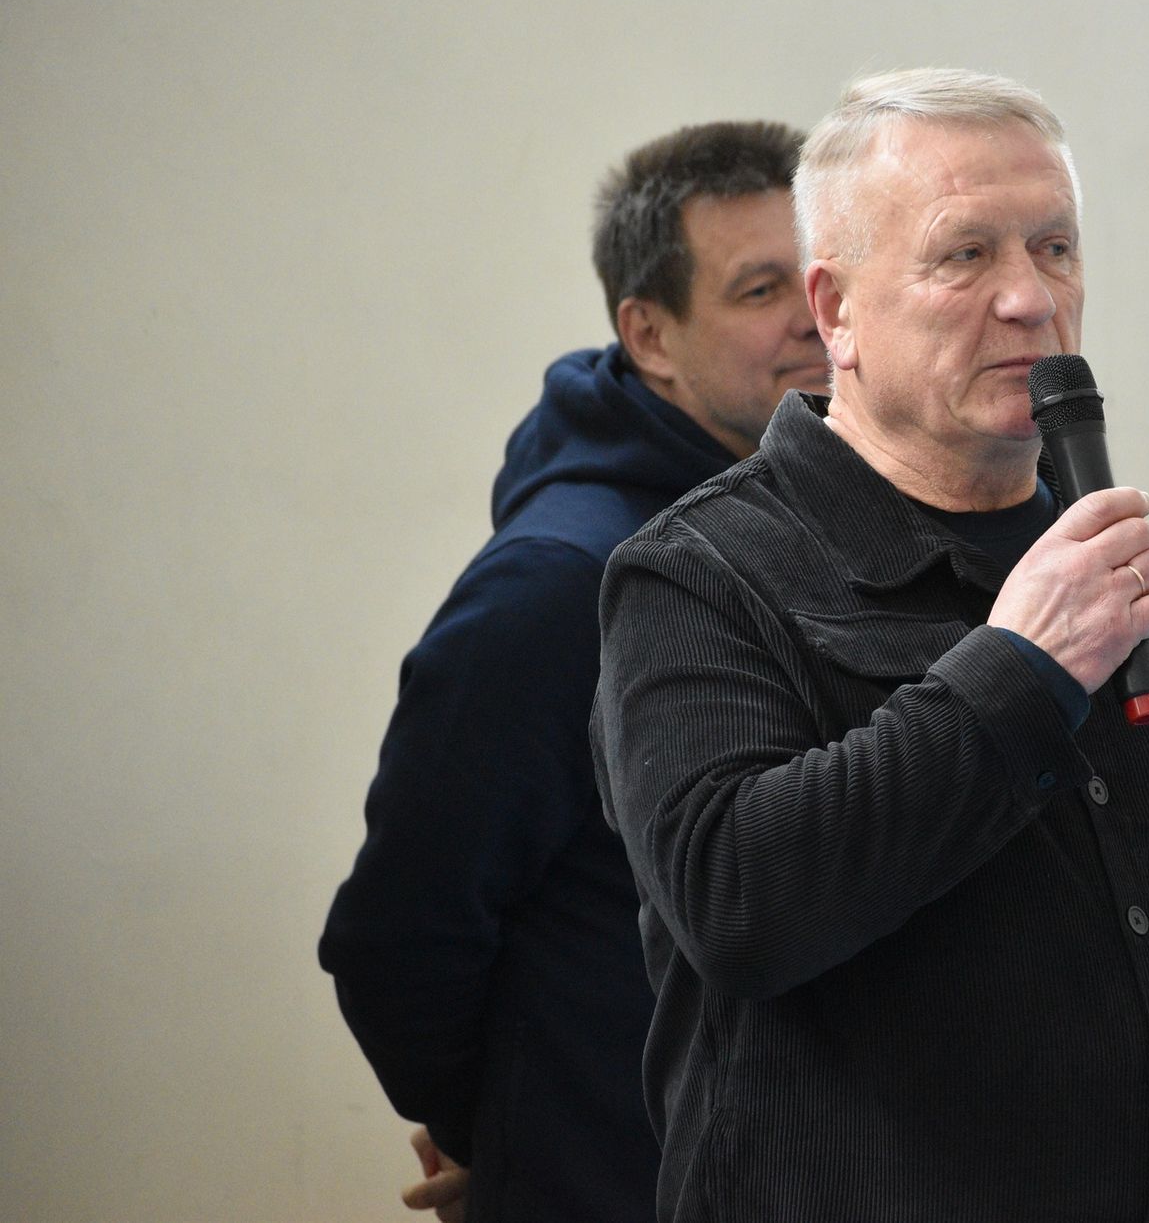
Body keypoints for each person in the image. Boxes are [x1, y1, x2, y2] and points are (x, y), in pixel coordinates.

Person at [590, 68, 1149, 1222]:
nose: (1030, 299)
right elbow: (740, 905)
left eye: (1055, 249)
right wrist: (1020, 672)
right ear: (836, 312)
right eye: (965, 255)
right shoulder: (701, 576)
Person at [319, 120, 826, 1222]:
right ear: (649, 335)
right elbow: (401, 936)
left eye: (823, 274)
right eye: (759, 289)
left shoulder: (819, 518)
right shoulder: (559, 588)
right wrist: (505, 1137)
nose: (813, 315)